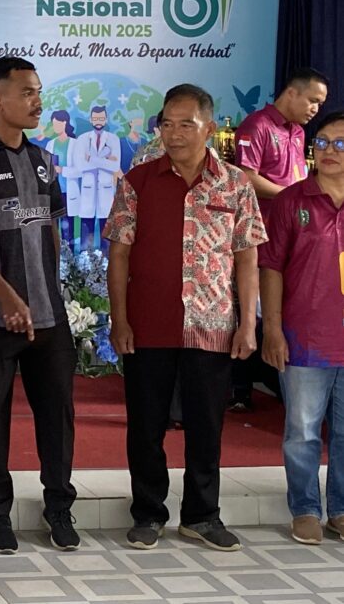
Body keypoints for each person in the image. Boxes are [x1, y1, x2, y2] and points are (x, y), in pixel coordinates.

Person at [105, 83, 266, 553]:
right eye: (166, 124)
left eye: (186, 124)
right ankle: (148, 513)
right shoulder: (137, 181)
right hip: (148, 324)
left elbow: (248, 259)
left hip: (214, 324)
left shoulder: (235, 184)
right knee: (146, 424)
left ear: (210, 129)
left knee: (206, 425)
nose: (174, 134)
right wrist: (119, 320)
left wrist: (248, 323)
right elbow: (118, 255)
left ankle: (202, 515)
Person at [0, 57, 78, 555]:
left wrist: (46, 292)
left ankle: (59, 509)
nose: (38, 101)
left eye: (39, 91)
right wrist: (8, 297)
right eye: (27, 92)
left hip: (48, 316)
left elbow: (50, 228)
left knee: (58, 416)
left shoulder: (45, 160)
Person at [259, 110, 344, 544]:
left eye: (341, 144)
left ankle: (341, 509)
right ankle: (306, 507)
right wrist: (271, 328)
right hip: (305, 338)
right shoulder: (294, 200)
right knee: (303, 431)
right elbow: (270, 267)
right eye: (323, 142)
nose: (329, 151)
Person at [230, 67, 329, 412]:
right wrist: (291, 196)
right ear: (292, 94)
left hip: (295, 233)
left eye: (320, 103)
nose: (316, 108)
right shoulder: (257, 126)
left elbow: (299, 175)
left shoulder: (299, 133)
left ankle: (275, 378)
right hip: (261, 233)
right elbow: (244, 177)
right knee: (253, 309)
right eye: (313, 100)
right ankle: (240, 386)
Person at [69, 104, 120, 249]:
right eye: (96, 118)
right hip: (87, 192)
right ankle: (86, 265)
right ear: (91, 119)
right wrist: (105, 158)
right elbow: (80, 166)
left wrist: (91, 158)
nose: (98, 121)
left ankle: (106, 264)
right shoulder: (82, 139)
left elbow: (115, 167)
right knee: (87, 233)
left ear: (106, 119)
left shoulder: (113, 139)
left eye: (101, 118)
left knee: (106, 236)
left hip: (106, 191)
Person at [41, 109, 77, 247]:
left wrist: (63, 170)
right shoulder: (51, 144)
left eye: (57, 124)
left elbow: (80, 169)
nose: (55, 127)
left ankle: (71, 254)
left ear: (65, 123)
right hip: (55, 190)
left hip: (70, 190)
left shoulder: (75, 144)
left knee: (69, 225)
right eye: (53, 124)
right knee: (54, 225)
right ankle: (58, 255)